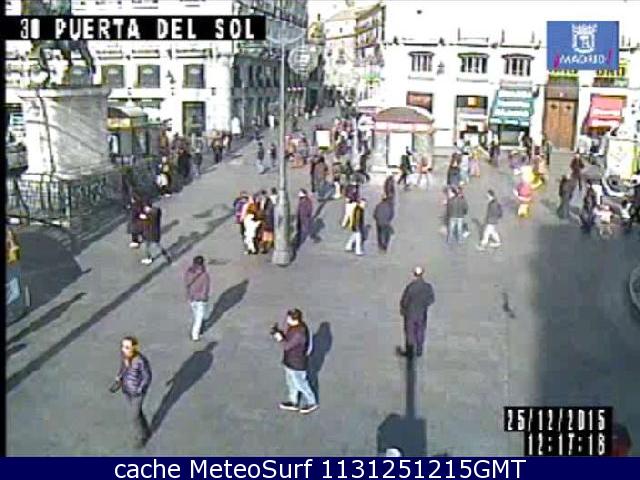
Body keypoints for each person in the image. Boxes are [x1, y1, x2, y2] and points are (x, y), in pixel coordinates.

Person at [271, 309, 318, 414]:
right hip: (289, 361)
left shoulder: (299, 333)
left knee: (300, 384)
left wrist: (279, 338)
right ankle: (293, 402)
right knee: (291, 383)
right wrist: (279, 332)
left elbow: (286, 345)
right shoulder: (296, 327)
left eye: (288, 318)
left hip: (297, 363)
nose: (286, 319)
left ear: (294, 319)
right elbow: (288, 339)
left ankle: (312, 402)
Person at [111, 336, 152, 448]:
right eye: (123, 346)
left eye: (127, 347)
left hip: (137, 393)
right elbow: (123, 368)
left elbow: (147, 376)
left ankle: (141, 437)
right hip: (127, 390)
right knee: (138, 413)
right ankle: (146, 430)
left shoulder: (141, 361)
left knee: (134, 416)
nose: (123, 349)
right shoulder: (125, 357)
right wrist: (119, 377)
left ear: (134, 348)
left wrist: (140, 389)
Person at [398, 266, 435, 358]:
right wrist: (424, 304)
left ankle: (410, 350)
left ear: (414, 274)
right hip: (422, 312)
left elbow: (405, 299)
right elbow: (431, 299)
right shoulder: (427, 287)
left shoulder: (411, 287)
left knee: (410, 330)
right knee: (420, 330)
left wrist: (403, 309)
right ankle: (419, 349)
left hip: (410, 312)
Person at [184, 256, 210, 342]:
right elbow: (205, 287)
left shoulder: (189, 272)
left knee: (196, 314)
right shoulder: (204, 274)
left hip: (191, 297)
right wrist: (204, 297)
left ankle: (199, 328)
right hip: (200, 299)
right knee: (199, 317)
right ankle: (195, 334)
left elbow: (187, 283)